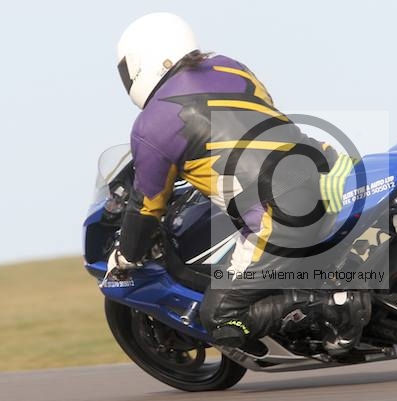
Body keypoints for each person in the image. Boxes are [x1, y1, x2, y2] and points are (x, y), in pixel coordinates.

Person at [109, 12, 370, 355]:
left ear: (144, 62)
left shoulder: (151, 126)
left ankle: (333, 306)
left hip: (279, 211)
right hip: (326, 165)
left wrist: (127, 256)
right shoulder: (231, 67)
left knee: (219, 316)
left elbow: (146, 207)